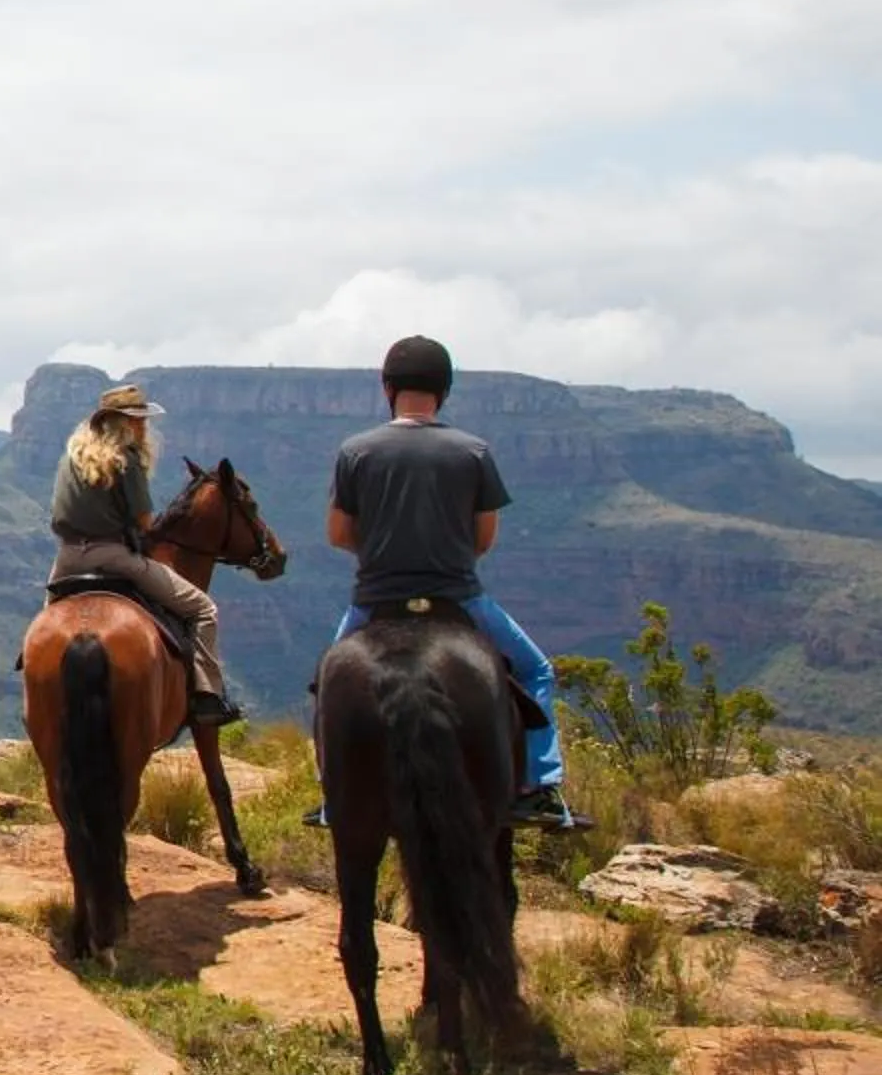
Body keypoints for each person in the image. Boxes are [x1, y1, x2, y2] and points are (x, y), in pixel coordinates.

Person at [309, 334, 586, 833]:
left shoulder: (356, 451)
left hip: (377, 600)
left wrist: (382, 553)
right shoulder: (473, 452)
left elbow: (338, 534)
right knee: (537, 671)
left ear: (387, 387)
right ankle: (541, 788)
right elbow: (483, 539)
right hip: (459, 596)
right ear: (445, 389)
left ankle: (333, 797)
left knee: (328, 684)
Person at [46, 382, 244, 726]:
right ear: (125, 423)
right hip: (114, 556)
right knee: (203, 608)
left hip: (66, 560)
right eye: (139, 420)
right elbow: (143, 520)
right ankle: (207, 697)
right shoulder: (128, 459)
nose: (143, 427)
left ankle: (37, 689)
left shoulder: (71, 458)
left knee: (46, 626)